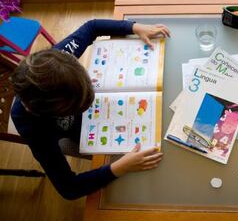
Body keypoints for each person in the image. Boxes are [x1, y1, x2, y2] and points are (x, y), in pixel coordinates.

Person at [10, 19, 170, 200]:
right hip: (85, 135)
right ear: (56, 112)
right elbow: (69, 188)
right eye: (76, 105)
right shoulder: (33, 129)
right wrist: (119, 168)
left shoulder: (53, 61)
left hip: (103, 116)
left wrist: (133, 27)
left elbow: (92, 27)